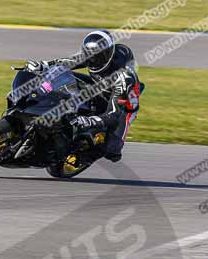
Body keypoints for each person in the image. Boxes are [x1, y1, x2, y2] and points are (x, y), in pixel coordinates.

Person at [25, 30, 143, 162]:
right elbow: (70, 62)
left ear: (108, 55)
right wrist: (44, 65)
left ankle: (84, 157)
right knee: (62, 78)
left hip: (123, 105)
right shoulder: (93, 56)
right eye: (88, 55)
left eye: (97, 57)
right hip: (99, 86)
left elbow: (113, 115)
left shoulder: (123, 78)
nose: (92, 61)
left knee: (112, 150)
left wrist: (89, 121)